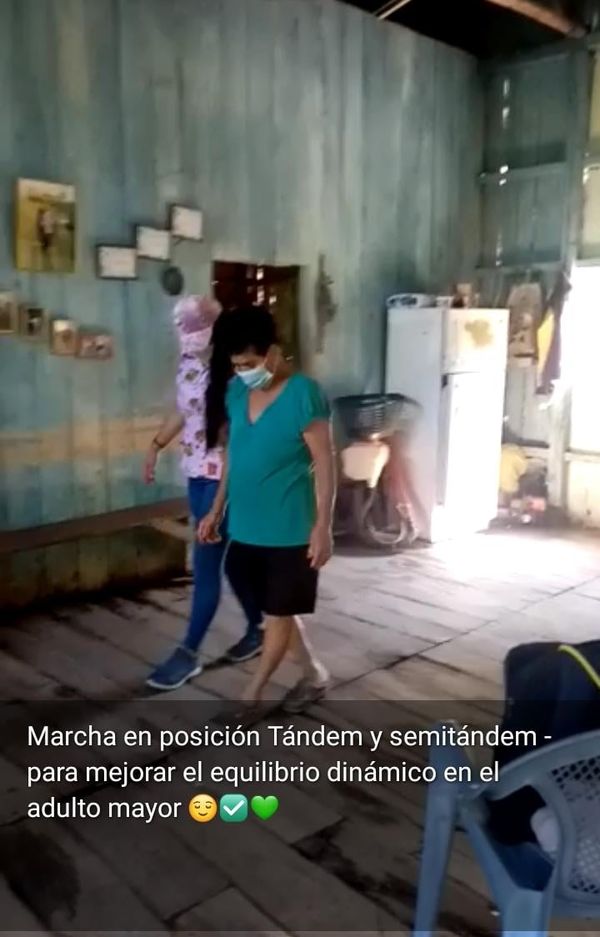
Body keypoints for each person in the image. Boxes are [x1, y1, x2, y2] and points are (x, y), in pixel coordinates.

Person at [199, 305, 334, 713]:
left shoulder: (303, 394)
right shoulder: (237, 392)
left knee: (278, 614)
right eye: (237, 365)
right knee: (279, 610)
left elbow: (325, 463)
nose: (243, 371)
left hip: (290, 529)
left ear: (273, 352)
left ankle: (251, 695)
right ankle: (314, 675)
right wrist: (216, 510)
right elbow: (233, 456)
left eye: (250, 363)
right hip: (245, 525)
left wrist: (323, 526)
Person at [144, 292, 263, 691]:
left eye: (192, 325)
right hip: (196, 475)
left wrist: (217, 504)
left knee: (206, 566)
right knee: (231, 564)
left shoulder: (233, 374)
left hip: (223, 481)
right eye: (180, 325)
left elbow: (234, 446)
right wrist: (156, 445)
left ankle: (188, 653)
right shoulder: (188, 363)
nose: (184, 332)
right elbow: (185, 409)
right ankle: (258, 628)